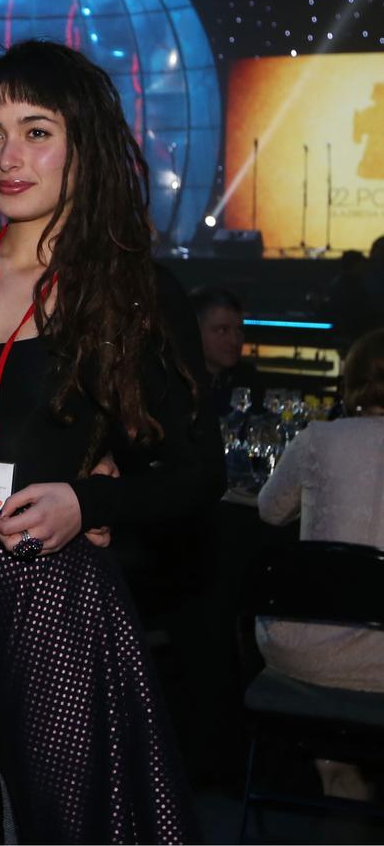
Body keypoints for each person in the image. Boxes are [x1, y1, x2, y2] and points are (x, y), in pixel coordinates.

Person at [0, 40, 224, 842]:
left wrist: (86, 501)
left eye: (36, 132)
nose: (8, 157)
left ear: (81, 145)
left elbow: (197, 474)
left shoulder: (130, 293)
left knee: (61, 818)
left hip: (48, 592)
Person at [257, 328, 384, 802]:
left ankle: (333, 767)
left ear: (349, 382)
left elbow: (270, 511)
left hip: (307, 651)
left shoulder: (318, 439)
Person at [191, 285, 259, 417]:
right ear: (194, 331)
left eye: (239, 330)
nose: (234, 341)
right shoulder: (175, 383)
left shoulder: (247, 378)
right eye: (222, 330)